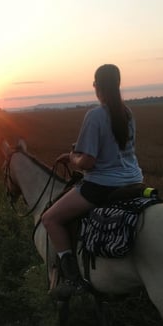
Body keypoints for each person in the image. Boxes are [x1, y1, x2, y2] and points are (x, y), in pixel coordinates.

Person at [41, 63, 144, 299]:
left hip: (102, 185)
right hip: (134, 180)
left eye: (94, 84)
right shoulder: (127, 113)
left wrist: (72, 157)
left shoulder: (96, 115)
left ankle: (74, 280)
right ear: (117, 85)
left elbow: (87, 162)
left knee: (50, 218)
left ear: (98, 86)